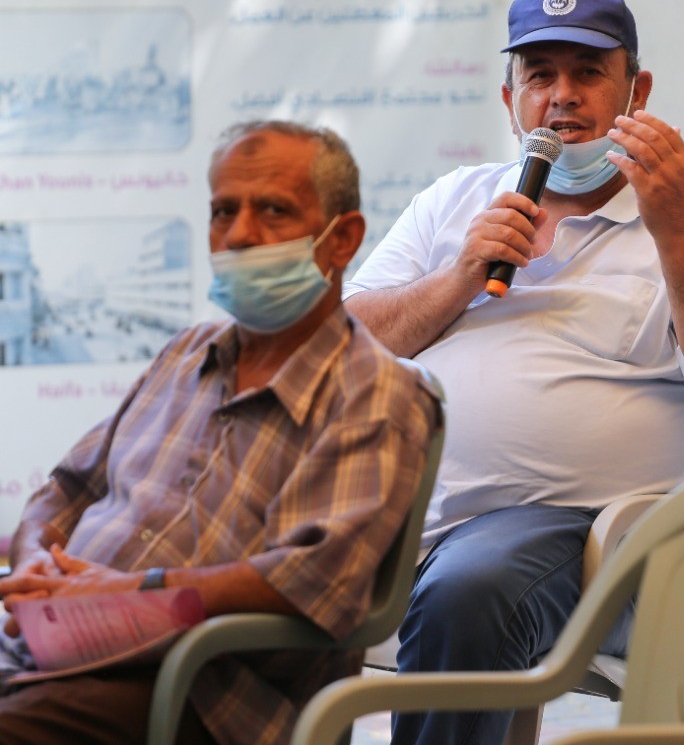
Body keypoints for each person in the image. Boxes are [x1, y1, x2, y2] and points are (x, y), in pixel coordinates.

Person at [342, 0, 684, 745]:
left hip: (606, 549)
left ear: (637, 92)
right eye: (540, 75)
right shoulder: (455, 201)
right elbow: (339, 352)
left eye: (588, 72)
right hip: (417, 526)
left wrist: (677, 230)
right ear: (509, 97)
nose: (562, 97)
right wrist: (459, 277)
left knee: (471, 588)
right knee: (257, 566)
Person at [0, 120, 438, 745]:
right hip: (47, 651)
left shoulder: (375, 393)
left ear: (342, 240)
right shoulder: (184, 354)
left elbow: (313, 579)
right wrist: (37, 565)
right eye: (223, 211)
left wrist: (128, 595)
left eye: (273, 210)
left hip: (193, 691)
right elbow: (68, 487)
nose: (239, 234)